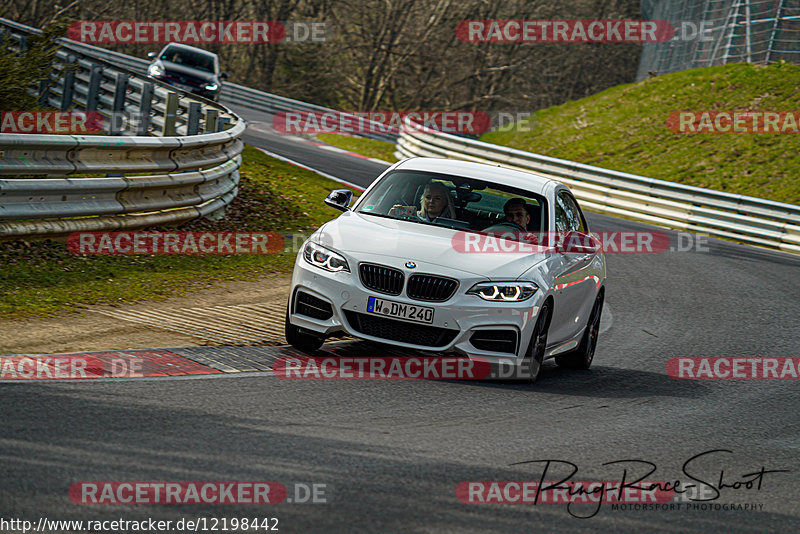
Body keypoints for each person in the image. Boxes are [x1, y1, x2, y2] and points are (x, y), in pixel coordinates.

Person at [390, 182, 455, 222]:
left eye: (437, 198)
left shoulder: (452, 224)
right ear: (422, 199)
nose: (431, 201)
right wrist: (391, 217)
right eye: (428, 197)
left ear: (446, 202)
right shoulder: (410, 217)